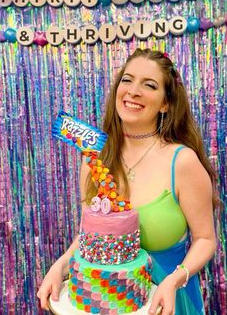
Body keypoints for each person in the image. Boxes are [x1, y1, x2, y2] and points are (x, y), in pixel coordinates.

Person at [37, 48, 217, 315]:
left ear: (165, 103)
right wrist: (60, 266)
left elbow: (205, 239)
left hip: (168, 301)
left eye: (149, 85)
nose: (133, 91)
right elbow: (89, 237)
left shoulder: (182, 161)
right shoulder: (94, 158)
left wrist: (175, 280)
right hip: (107, 304)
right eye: (127, 80)